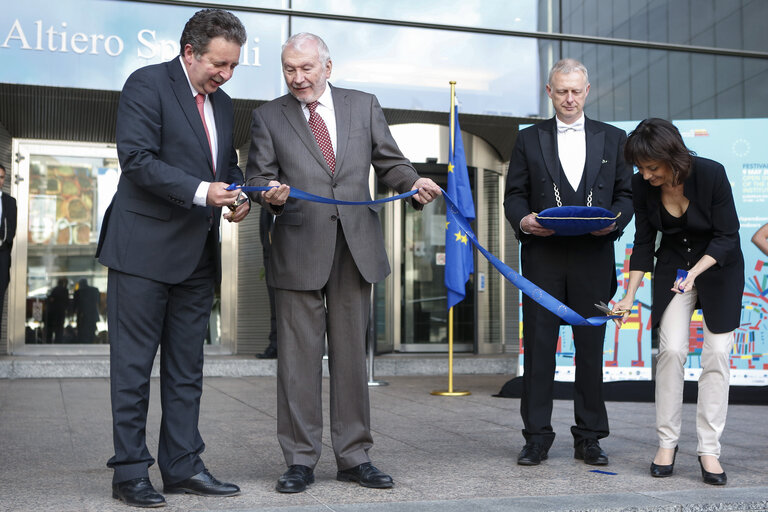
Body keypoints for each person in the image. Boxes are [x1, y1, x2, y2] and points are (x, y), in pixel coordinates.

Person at [246, 32, 441, 494]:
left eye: (306, 69)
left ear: (327, 68)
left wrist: (413, 183)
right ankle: (299, 459)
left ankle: (354, 456)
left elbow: (390, 162)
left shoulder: (363, 105)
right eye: (289, 70)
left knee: (352, 358)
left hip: (356, 247)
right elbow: (257, 175)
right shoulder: (267, 116)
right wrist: (268, 195)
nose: (298, 78)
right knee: (297, 361)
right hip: (298, 248)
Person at [96, 8, 250, 508]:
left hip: (196, 257)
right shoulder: (147, 84)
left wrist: (241, 195)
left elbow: (227, 167)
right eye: (218, 64)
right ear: (190, 52)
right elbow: (137, 160)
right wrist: (206, 192)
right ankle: (130, 473)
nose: (225, 75)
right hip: (140, 253)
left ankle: (182, 466)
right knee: (133, 370)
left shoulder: (224, 105)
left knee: (187, 370)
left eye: (232, 67)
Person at [503, 58, 633, 467]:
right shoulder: (528, 139)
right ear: (549, 92)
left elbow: (628, 196)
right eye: (562, 91)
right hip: (542, 257)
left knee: (590, 350)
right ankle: (536, 437)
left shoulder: (615, 138)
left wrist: (614, 224)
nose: (570, 98)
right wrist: (523, 219)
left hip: (594, 257)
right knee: (539, 350)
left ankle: (590, 437)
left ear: (588, 91)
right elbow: (515, 195)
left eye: (576, 91)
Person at [614, 118, 743, 486]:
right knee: (671, 351)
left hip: (718, 268)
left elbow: (727, 235)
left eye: (652, 167)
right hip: (674, 268)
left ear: (672, 156)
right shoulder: (642, 185)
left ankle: (708, 450)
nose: (646, 174)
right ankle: (667, 443)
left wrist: (696, 274)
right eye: (640, 168)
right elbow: (643, 242)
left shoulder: (711, 174)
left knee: (717, 354)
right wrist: (628, 295)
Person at [255, 206, 277, 359]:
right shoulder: (267, 205)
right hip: (271, 258)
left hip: (296, 260)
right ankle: (274, 345)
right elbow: (264, 231)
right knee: (274, 305)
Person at [0, 163, 17, 322]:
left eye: (2, 177)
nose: (0, 180)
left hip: (2, 258)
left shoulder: (10, 201)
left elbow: (11, 229)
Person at [73, 278, 100, 344]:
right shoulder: (94, 290)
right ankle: (90, 341)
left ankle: (84, 341)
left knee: (83, 331)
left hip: (82, 315)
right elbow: (97, 301)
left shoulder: (78, 292)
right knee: (91, 330)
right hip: (91, 314)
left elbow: (75, 305)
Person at [45, 278, 69, 343]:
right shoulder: (65, 290)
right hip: (61, 311)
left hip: (53, 312)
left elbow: (51, 299)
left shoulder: (55, 289)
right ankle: (58, 341)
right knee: (59, 328)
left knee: (51, 328)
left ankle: (49, 341)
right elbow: (67, 301)